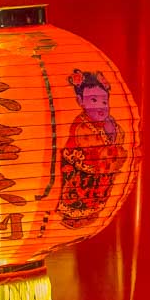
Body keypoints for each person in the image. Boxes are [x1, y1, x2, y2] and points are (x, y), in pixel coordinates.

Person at [59, 70, 127, 228]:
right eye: (93, 100)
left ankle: (93, 213)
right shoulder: (81, 125)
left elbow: (119, 138)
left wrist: (114, 135)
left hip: (101, 169)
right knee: (81, 194)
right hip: (82, 169)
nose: (100, 107)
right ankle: (74, 217)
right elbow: (89, 147)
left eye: (104, 102)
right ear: (80, 101)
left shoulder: (109, 122)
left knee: (97, 195)